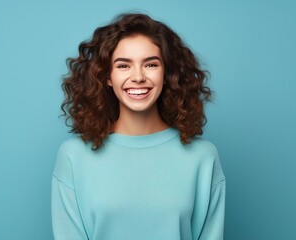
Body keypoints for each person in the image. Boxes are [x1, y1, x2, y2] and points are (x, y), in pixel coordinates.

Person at [51, 13, 226, 240]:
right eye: (123, 65)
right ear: (107, 77)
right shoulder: (73, 157)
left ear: (167, 73)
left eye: (151, 64)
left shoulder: (202, 157)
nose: (138, 77)